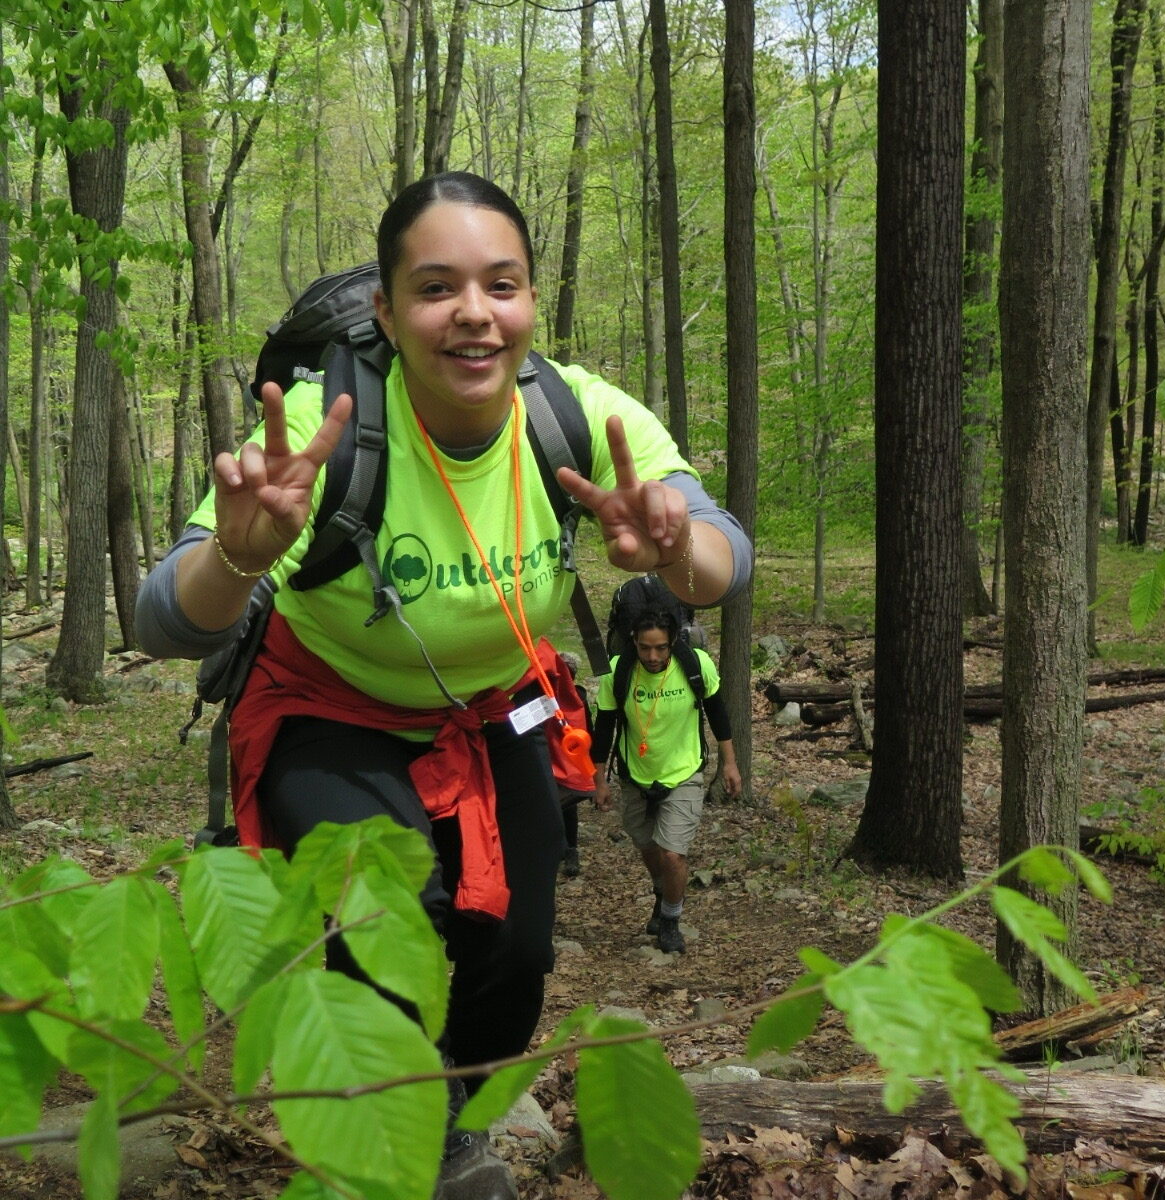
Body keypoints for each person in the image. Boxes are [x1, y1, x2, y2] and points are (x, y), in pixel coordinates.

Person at [135, 171, 751, 1200]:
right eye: (435, 287)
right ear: (387, 310)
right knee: (389, 918)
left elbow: (724, 547)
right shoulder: (327, 435)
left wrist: (679, 554)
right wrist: (238, 558)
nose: (474, 312)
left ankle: (455, 1121)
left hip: (497, 703)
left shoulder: (576, 417)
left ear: (530, 302)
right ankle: (388, 1147)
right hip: (330, 707)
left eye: (501, 284)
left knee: (517, 940)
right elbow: (160, 618)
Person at [591, 610, 742, 955]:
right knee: (648, 846)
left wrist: (729, 763)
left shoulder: (696, 665)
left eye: (660, 648)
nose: (653, 657)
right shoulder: (618, 672)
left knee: (672, 854)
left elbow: (717, 712)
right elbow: (604, 730)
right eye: (645, 648)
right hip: (635, 775)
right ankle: (662, 892)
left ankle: (671, 920)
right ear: (634, 643)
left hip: (683, 772)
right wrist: (599, 780)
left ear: (673, 641)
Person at [557, 651, 592, 877]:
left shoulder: (579, 697)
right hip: (552, 758)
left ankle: (570, 850)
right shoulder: (543, 696)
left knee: (568, 806)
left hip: (571, 760)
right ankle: (560, 849)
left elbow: (588, 726)